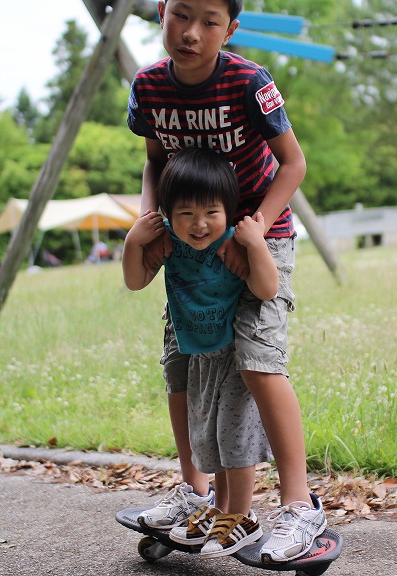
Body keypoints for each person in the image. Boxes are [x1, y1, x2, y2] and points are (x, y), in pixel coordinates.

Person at [127, 0, 325, 562]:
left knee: (258, 358)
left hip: (258, 235)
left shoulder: (248, 81)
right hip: (187, 238)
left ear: (230, 29)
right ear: (161, 10)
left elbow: (293, 164)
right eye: (180, 15)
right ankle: (193, 490)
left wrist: (253, 231)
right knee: (182, 359)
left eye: (209, 22)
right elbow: (154, 161)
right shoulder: (147, 86)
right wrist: (151, 220)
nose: (191, 32)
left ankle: (297, 507)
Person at [123, 148, 275, 556]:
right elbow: (135, 281)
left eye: (211, 211)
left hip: (234, 356)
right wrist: (132, 241)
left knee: (234, 435)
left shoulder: (233, 244)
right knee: (209, 439)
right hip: (199, 355)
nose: (199, 223)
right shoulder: (169, 242)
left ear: (229, 209)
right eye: (186, 213)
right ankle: (219, 510)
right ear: (168, 213)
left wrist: (256, 243)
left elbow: (267, 289)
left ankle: (241, 516)